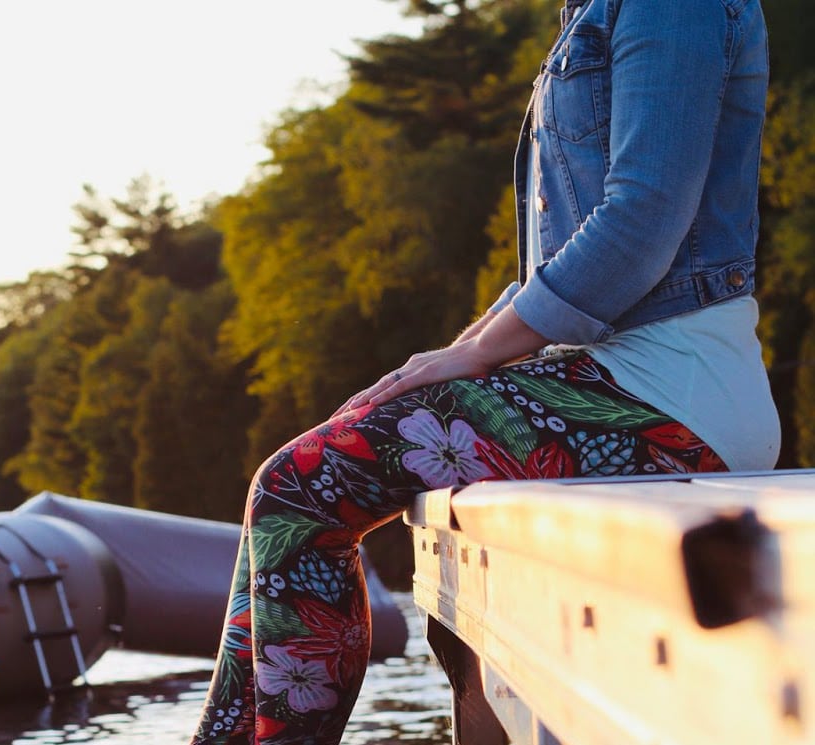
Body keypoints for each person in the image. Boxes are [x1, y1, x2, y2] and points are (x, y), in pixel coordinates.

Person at [191, 0, 779, 742]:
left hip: (672, 392)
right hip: (602, 381)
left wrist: (470, 354)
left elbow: (641, 221)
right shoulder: (592, 11)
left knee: (302, 485)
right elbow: (560, 261)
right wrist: (446, 357)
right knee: (291, 485)